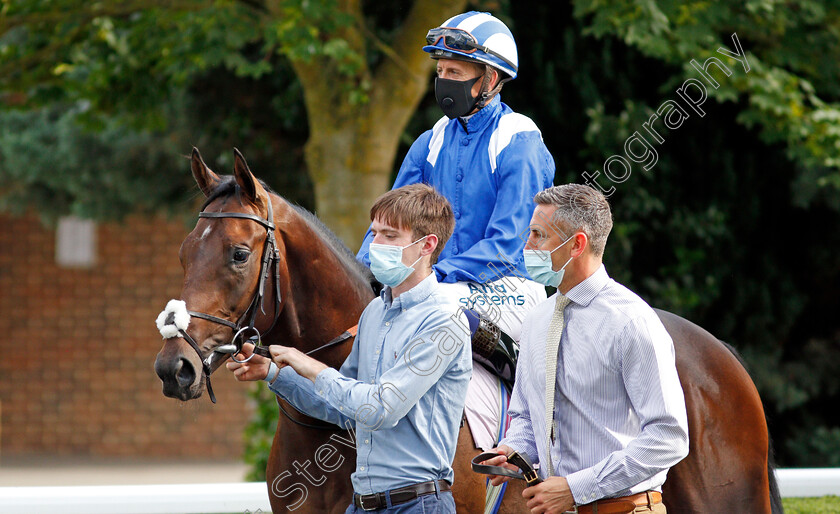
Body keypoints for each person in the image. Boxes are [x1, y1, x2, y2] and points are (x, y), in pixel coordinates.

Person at [227, 183, 471, 514]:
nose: (375, 246)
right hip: (361, 505)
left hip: (417, 504)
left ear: (427, 245)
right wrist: (274, 374)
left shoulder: (443, 320)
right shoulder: (374, 313)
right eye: (374, 234)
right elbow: (344, 411)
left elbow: (380, 410)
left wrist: (309, 366)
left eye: (390, 236)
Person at [483, 184, 689, 514]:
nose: (527, 245)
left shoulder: (631, 321)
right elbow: (526, 415)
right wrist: (513, 451)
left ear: (577, 244)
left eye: (538, 235)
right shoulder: (537, 319)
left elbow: (669, 437)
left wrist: (576, 488)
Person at [356, 10, 555, 345]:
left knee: (433, 309)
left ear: (490, 79)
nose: (444, 80)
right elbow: (386, 222)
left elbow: (507, 247)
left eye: (455, 71)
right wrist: (364, 271)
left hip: (509, 290)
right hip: (433, 285)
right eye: (440, 71)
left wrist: (433, 276)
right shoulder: (430, 141)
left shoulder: (518, 142)